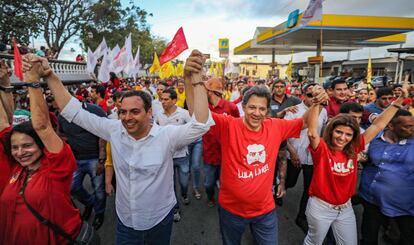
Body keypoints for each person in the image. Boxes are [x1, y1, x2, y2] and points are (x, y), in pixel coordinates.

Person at [23, 52, 212, 244]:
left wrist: (196, 80)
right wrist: (50, 76)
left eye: (135, 111)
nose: (127, 117)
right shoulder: (113, 129)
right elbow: (74, 112)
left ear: (149, 113)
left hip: (159, 220)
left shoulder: (167, 136)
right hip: (125, 222)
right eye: (122, 112)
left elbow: (200, 125)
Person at [184, 50, 328, 245]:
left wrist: (317, 103)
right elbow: (198, 115)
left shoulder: (275, 126)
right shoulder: (228, 126)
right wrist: (193, 79)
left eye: (262, 109)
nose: (256, 113)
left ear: (267, 110)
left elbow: (303, 122)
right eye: (252, 107)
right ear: (243, 107)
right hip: (231, 211)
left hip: (265, 212)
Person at [303, 83, 410, 245]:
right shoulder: (322, 149)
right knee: (314, 241)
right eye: (338, 132)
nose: (342, 138)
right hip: (321, 207)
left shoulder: (355, 147)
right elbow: (311, 131)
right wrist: (317, 103)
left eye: (348, 134)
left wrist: (399, 101)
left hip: (345, 208)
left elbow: (378, 124)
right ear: (331, 131)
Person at [0, 57, 84, 244]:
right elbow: (4, 123)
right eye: (15, 147)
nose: (20, 152)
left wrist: (33, 81)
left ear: (41, 146)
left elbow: (43, 127)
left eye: (27, 146)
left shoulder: (56, 168)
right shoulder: (17, 169)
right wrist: (5, 83)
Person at [359, 109, 414, 245]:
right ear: (390, 126)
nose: (413, 129)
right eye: (408, 126)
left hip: (405, 205)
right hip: (371, 199)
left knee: (408, 238)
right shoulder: (373, 138)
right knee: (369, 237)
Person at [284, 83, 328, 233]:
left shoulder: (323, 112)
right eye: (310, 95)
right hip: (295, 155)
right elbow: (285, 134)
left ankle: (301, 217)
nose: (313, 98)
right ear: (303, 96)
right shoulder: (294, 111)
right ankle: (278, 187)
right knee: (289, 182)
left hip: (312, 158)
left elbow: (321, 134)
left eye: (316, 95)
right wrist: (293, 153)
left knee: (309, 189)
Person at [58, 101, 107, 230]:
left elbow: (103, 134)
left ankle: (99, 213)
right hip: (75, 159)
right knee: (73, 188)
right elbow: (61, 134)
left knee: (99, 190)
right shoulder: (62, 115)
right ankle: (90, 203)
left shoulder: (95, 110)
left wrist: (101, 160)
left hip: (95, 159)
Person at [154, 87, 192, 222]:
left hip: (182, 155)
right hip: (166, 157)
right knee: (170, 185)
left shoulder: (184, 113)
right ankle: (175, 209)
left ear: (174, 100)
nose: (163, 102)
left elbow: (194, 128)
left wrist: (186, 140)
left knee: (183, 182)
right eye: (161, 99)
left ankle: (184, 193)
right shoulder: (159, 114)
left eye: (166, 99)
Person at [201, 78, 240, 207]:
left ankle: (226, 203)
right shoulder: (203, 108)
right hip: (209, 153)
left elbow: (238, 128)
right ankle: (211, 197)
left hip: (227, 155)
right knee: (208, 184)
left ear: (210, 92)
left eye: (205, 89)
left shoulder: (231, 107)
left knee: (226, 184)